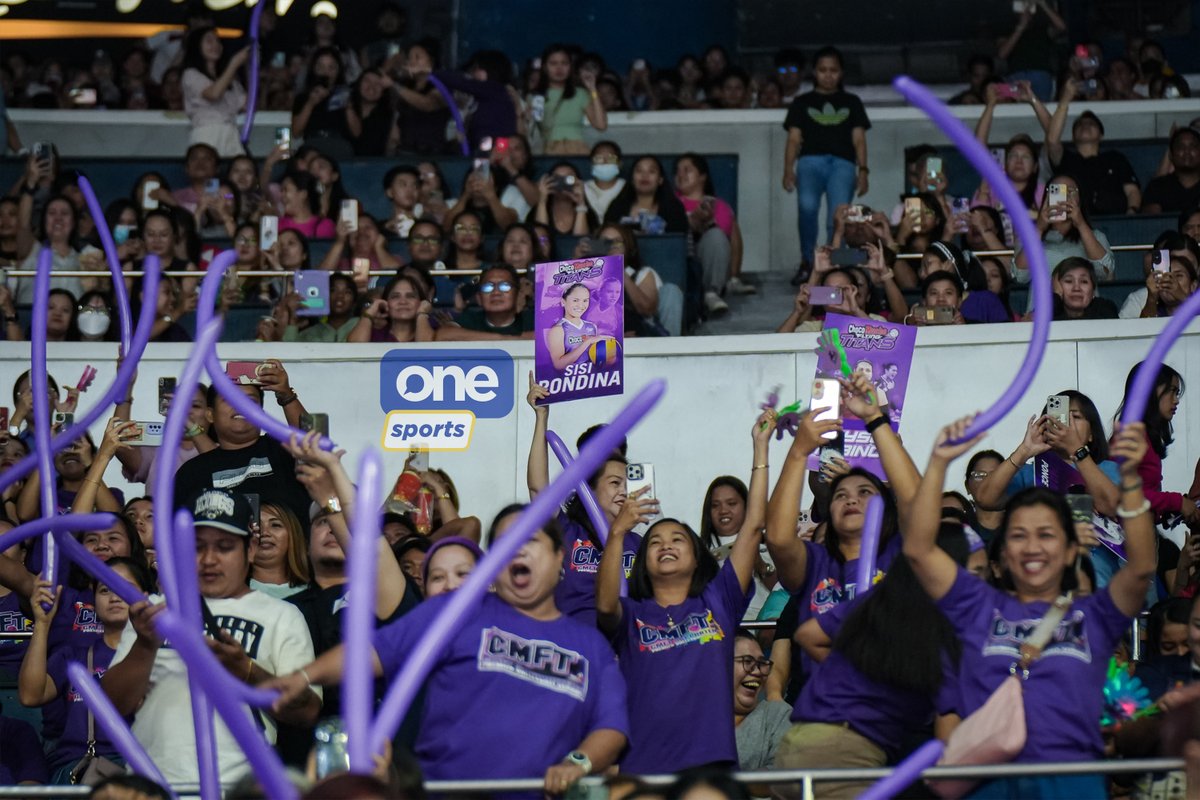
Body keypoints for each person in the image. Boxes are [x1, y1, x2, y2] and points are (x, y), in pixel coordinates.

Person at [268, 506, 629, 795]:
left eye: (530, 539)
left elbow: (611, 726)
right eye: (504, 543)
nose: (516, 548)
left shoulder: (591, 646)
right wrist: (304, 676)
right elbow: (374, 652)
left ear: (558, 557)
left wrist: (578, 763)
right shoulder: (455, 610)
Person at [903, 414, 1155, 798]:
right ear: (1001, 553)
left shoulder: (1095, 616)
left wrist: (1132, 481)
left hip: (1073, 786)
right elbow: (918, 549)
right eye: (1019, 535)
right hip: (990, 786)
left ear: (1072, 550)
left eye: (1047, 535)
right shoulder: (976, 606)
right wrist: (938, 463)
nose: (1033, 547)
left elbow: (1141, 568)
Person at [102, 489, 321, 786]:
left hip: (240, 789)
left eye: (225, 546)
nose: (208, 559)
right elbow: (111, 707)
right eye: (197, 546)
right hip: (153, 786)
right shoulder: (154, 612)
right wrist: (144, 645)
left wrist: (247, 672)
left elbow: (307, 712)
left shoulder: (283, 615)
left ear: (251, 549)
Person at [595, 413, 768, 772]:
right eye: (655, 541)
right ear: (643, 563)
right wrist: (617, 533)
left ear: (696, 557)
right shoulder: (632, 614)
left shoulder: (719, 600)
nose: (666, 545)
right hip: (644, 770)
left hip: (710, 767)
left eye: (677, 539)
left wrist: (760, 449)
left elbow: (752, 527)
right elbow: (605, 603)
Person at [777, 528, 970, 799]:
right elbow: (947, 738)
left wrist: (854, 669)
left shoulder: (878, 600)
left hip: (796, 743)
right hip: (846, 755)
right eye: (973, 573)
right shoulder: (944, 633)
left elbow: (807, 636)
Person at [20, 559, 152, 783]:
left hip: (139, 770)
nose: (114, 596)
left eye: (125, 588)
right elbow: (31, 695)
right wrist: (42, 624)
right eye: (104, 589)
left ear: (147, 598)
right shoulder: (74, 656)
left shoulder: (160, 657)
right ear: (93, 600)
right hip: (77, 769)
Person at [526, 376, 641, 625]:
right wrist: (541, 418)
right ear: (590, 486)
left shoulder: (639, 544)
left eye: (626, 483)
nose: (622, 491)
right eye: (613, 483)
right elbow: (538, 489)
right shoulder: (568, 531)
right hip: (571, 646)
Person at [171, 363, 314, 528]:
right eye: (230, 399)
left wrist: (286, 394)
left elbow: (314, 445)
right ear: (210, 414)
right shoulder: (191, 473)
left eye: (250, 401)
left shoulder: (283, 448)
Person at [781, 46, 870, 283]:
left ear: (841, 73)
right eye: (823, 70)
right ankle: (808, 262)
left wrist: (863, 171)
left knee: (837, 217)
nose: (828, 75)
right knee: (806, 208)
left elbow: (859, 139)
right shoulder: (801, 102)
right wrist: (788, 169)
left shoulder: (852, 102)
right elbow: (793, 139)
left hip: (842, 164)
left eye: (833, 70)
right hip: (809, 161)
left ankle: (833, 266)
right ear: (814, 72)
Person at [1043, 85, 1140, 215]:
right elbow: (1052, 140)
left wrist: (1131, 213)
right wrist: (1065, 99)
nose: (1085, 126)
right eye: (1080, 125)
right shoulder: (1066, 159)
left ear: (1101, 135)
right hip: (1073, 227)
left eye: (1091, 124)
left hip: (1114, 222)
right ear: (1073, 136)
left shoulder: (1115, 158)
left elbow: (1132, 191)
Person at [1014, 174, 1114, 291]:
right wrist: (1039, 228)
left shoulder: (1095, 236)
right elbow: (1019, 276)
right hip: (1043, 308)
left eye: (1070, 191)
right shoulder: (1028, 237)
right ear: (1046, 198)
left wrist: (1081, 224)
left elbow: (1105, 272)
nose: (1064, 197)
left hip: (1084, 308)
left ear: (1080, 200)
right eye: (1057, 191)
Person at [675, 153, 744, 314]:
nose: (681, 175)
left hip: (706, 256)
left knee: (716, 236)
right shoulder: (669, 201)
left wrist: (702, 223)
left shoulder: (718, 206)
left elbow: (725, 238)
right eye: (677, 171)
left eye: (687, 170)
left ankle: (713, 292)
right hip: (681, 255)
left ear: (702, 176)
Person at [180, 25, 248, 157]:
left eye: (218, 41)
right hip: (207, 133)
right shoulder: (190, 74)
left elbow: (247, 105)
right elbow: (214, 94)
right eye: (209, 41)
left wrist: (249, 68)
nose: (215, 45)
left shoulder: (230, 80)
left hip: (231, 133)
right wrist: (234, 63)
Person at [530, 44, 608, 155]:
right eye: (553, 63)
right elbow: (530, 131)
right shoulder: (535, 96)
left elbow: (601, 125)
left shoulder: (580, 94)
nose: (559, 68)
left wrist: (592, 89)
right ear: (544, 67)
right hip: (549, 150)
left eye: (564, 63)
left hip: (578, 150)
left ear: (570, 67)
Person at [732, 630, 791, 772]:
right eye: (747, 661)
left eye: (762, 663)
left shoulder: (778, 715)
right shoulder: (692, 716)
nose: (758, 672)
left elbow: (783, 774)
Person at [437, 264, 533, 341]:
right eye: (488, 287)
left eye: (504, 286)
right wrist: (504, 339)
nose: (496, 292)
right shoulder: (472, 318)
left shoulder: (530, 318)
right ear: (479, 298)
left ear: (517, 295)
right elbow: (442, 335)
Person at [603, 155, 689, 236]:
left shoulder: (674, 209)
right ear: (632, 179)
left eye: (651, 171)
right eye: (639, 171)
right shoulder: (616, 207)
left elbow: (678, 244)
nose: (644, 176)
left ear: (660, 180)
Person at [349, 274, 435, 344]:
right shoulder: (374, 334)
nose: (403, 302)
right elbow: (354, 349)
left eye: (410, 296)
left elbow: (427, 351)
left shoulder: (430, 331)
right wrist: (371, 311)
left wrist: (422, 313)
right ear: (386, 303)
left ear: (420, 302)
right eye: (395, 297)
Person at [544, 283, 612, 371]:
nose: (581, 305)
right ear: (563, 302)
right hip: (567, 380)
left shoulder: (591, 326)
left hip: (591, 378)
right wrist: (587, 342)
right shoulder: (558, 330)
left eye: (585, 301)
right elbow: (558, 364)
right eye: (575, 300)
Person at [1143, 127, 1200, 214]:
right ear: (1171, 155)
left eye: (1193, 146)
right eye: (1181, 147)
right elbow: (1153, 222)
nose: (1187, 151)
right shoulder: (1157, 187)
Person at [1051, 257, 1118, 320]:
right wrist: (1057, 295)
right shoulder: (1048, 311)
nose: (1076, 288)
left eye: (1084, 282)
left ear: (1093, 289)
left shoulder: (1104, 309)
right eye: (1069, 281)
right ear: (1056, 286)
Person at [278, 171, 335, 239]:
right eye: (281, 190)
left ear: (303, 194)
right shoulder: (277, 225)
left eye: (286, 190)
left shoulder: (324, 226)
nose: (281, 195)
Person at [1140, 254, 1199, 319]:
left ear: (1193, 285)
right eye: (1164, 276)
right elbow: (1144, 326)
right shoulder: (1155, 312)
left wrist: (1181, 296)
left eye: (1178, 275)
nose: (1170, 280)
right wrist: (1151, 299)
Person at [584, 141, 627, 220]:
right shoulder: (583, 189)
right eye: (599, 158)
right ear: (592, 164)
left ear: (620, 164)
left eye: (611, 159)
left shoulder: (628, 189)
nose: (605, 162)